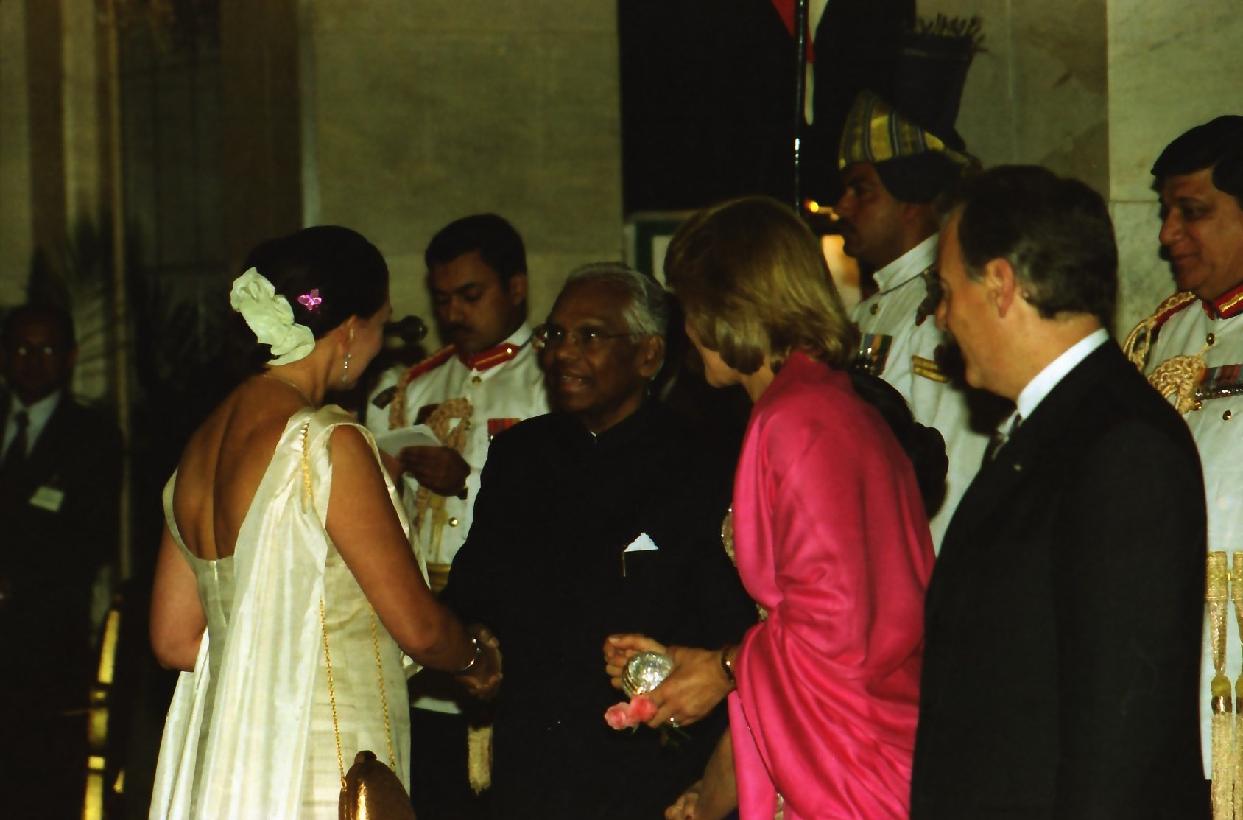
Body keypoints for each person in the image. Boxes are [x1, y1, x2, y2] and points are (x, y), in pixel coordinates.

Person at [148, 226, 499, 818]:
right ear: (351, 329)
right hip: (326, 763)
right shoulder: (326, 441)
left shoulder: (199, 449)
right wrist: (475, 660)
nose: (380, 345)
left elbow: (174, 640)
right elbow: (417, 627)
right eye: (383, 325)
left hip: (235, 762)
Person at [609, 196, 936, 819]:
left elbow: (833, 622)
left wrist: (724, 667)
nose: (687, 332)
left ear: (731, 306)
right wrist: (713, 789)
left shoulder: (799, 418)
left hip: (848, 755)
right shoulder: (824, 402)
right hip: (840, 731)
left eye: (691, 309)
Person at [912, 166, 1207, 817]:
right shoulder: (1052, 428)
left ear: (999, 284)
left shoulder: (1121, 444)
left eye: (947, 290)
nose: (942, 316)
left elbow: (1122, 734)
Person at [441, 263, 756, 819]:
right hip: (531, 757)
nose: (564, 353)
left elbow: (726, 621)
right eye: (555, 334)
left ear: (648, 355)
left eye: (590, 336)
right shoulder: (520, 456)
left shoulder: (703, 464)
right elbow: (475, 585)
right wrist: (476, 640)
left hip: (648, 763)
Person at [364, 212, 547, 817]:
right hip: (431, 619)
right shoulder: (415, 386)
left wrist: (466, 482)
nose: (455, 313)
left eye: (471, 295)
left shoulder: (551, 378)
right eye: (443, 299)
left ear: (515, 287)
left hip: (519, 614)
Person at [1121, 115, 1243, 804]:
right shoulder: (1164, 332)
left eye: (1191, 212)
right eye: (1166, 213)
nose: (1168, 234)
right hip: (1168, 654)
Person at [838, 88, 1001, 551]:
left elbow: (955, 464)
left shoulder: (940, 310)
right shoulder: (868, 308)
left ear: (910, 201)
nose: (843, 206)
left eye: (861, 190)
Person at [0, 303, 123, 817]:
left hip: (47, 649)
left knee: (43, 787)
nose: (34, 361)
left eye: (47, 349)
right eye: (22, 349)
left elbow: (90, 540)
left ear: (70, 357)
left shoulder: (91, 437)